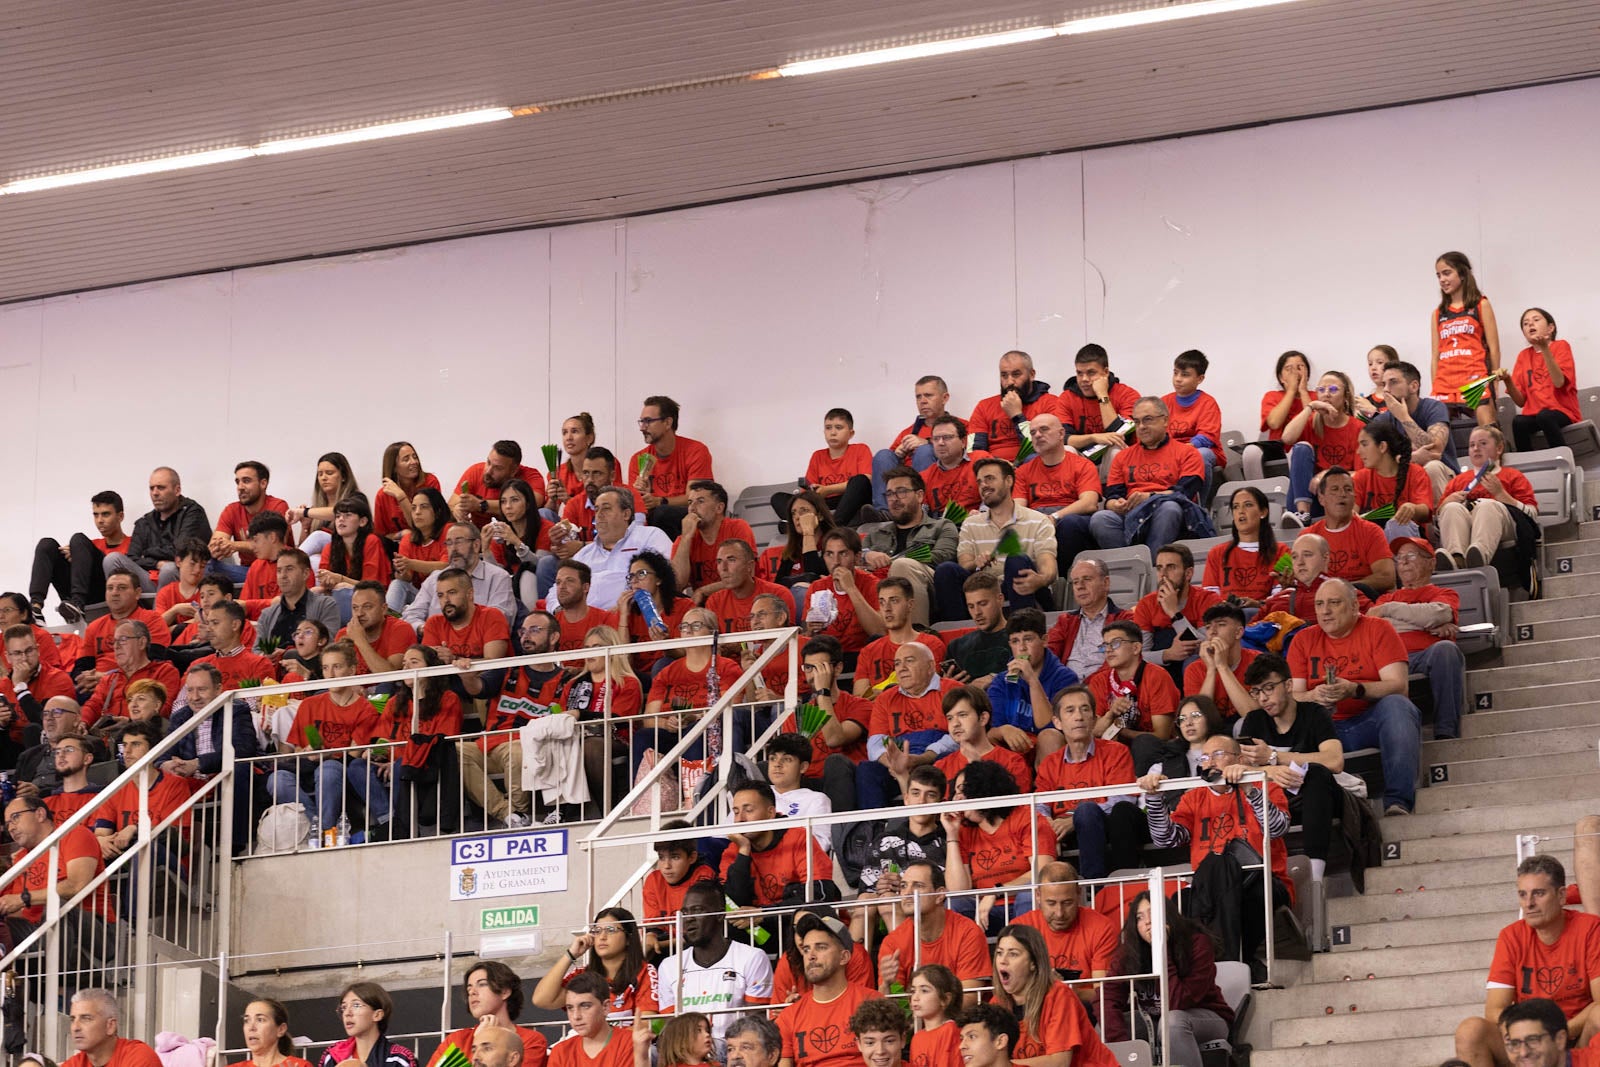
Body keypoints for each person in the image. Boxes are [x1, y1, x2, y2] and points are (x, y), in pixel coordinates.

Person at [1139, 735, 1293, 980]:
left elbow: (1277, 828)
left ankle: (1221, 967)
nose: (1209, 762)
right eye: (1205, 757)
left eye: (1218, 754)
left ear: (1239, 759)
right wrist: (1155, 799)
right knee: (1182, 899)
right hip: (1209, 887)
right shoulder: (1194, 796)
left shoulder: (1264, 785)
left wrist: (1249, 788)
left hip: (1261, 881)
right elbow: (1166, 839)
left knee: (1225, 869)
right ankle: (1235, 965)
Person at [1288, 577, 1422, 815]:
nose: (1325, 611)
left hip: (1367, 721)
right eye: (1319, 604)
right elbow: (1293, 696)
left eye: (1334, 603)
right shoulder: (1303, 639)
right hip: (1324, 729)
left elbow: (1399, 686)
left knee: (1398, 706)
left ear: (1354, 607)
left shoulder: (1378, 629)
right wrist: (1313, 695)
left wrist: (1355, 689)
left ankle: (1397, 802)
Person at [1455, 855, 1600, 1067]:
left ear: (1561, 896)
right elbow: (1494, 1011)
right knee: (1471, 1030)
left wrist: (1554, 1036)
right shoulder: (1511, 936)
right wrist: (1530, 1037)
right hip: (1528, 1040)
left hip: (1577, 1037)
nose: (1529, 904)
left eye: (1538, 893)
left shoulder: (1591, 928)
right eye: (1523, 895)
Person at [1232, 652, 1346, 891]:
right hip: (1276, 803)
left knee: (1317, 773)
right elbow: (1243, 768)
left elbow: (1335, 760)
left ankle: (1315, 877)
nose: (1263, 698)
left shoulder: (1314, 714)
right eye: (1256, 692)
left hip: (1319, 798)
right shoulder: (1254, 721)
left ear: (1289, 685)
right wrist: (1270, 771)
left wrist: (1274, 758)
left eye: (1269, 688)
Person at [269, 643, 389, 837]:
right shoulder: (310, 705)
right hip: (310, 768)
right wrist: (308, 750)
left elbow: (352, 754)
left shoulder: (366, 709)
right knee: (277, 779)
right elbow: (300, 750)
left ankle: (326, 830)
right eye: (325, 668)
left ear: (352, 670)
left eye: (337, 667)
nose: (330, 674)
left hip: (338, 772)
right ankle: (318, 828)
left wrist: (322, 754)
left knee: (329, 769)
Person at [1104, 891, 1235, 1066]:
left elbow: (1177, 1002)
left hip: (1207, 1018)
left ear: (1168, 915)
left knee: (1172, 1022)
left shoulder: (1197, 943)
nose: (1148, 922)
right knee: (1106, 1026)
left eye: (1152, 913)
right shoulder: (1131, 952)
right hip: (1155, 1021)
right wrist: (1121, 1042)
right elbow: (1107, 996)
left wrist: (1162, 950)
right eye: (1139, 918)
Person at [464, 612, 562, 828]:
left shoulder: (565, 679)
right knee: (455, 752)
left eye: (535, 630)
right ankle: (509, 814)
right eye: (523, 631)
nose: (526, 636)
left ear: (554, 637)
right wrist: (467, 676)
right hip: (489, 745)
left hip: (528, 747)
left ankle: (521, 812)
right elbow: (478, 689)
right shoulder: (507, 668)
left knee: (517, 748)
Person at [1034, 688, 1141, 879]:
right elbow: (1039, 805)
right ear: (1057, 722)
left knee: (1088, 811)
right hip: (1064, 835)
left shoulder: (1116, 752)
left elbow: (1123, 799)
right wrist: (1048, 827)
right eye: (1070, 711)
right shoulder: (1050, 763)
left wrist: (1073, 820)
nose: (1079, 717)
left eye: (1085, 710)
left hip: (1110, 828)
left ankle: (1096, 886)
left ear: (1094, 718)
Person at [933, 457, 1057, 620]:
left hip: (1027, 590)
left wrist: (1040, 580)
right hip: (985, 589)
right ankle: (960, 633)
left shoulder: (1039, 520)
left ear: (1008, 481)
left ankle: (1021, 629)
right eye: (979, 482)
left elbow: (1049, 569)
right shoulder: (970, 524)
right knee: (946, 570)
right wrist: (975, 563)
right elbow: (965, 564)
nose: (983, 485)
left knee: (1016, 560)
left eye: (989, 478)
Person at [0, 798, 115, 974]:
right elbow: (15, 909)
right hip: (38, 930)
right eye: (7, 824)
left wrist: (24, 898)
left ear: (39, 814)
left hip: (93, 930)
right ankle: (8, 987)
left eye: (15, 818)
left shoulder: (75, 835)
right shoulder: (23, 858)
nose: (11, 828)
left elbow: (76, 886)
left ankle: (56, 982)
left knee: (57, 905)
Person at [1370, 536, 1469, 739]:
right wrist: (1424, 623)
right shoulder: (1385, 598)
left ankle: (1446, 731)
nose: (1403, 562)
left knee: (1446, 650)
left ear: (1431, 562)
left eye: (1411, 555)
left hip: (1427, 655)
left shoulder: (1445, 593)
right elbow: (1374, 623)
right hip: (1391, 659)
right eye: (1399, 557)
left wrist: (1390, 612)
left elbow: (1437, 614)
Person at [655, 882, 773, 1051]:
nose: (689, 919)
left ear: (720, 914)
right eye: (685, 912)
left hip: (733, 1050)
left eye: (697, 910)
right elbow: (670, 1025)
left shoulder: (752, 957)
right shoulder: (669, 966)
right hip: (687, 1053)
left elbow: (755, 1023)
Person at [943, 761, 1053, 933]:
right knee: (955, 904)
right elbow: (958, 890)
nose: (956, 799)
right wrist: (952, 835)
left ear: (984, 788)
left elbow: (1043, 871)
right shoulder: (964, 831)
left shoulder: (1026, 817)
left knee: (1028, 896)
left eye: (962, 791)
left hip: (1022, 903)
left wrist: (997, 892)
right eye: (955, 793)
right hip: (985, 912)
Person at [1090, 396, 1213, 550]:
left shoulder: (1188, 453)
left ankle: (1155, 567)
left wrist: (1149, 498)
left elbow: (1184, 493)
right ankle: (1133, 566)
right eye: (1137, 421)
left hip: (1172, 515)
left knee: (1170, 508)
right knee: (1101, 518)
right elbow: (1113, 495)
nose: (1141, 426)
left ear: (1165, 420)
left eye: (1147, 420)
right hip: (1132, 514)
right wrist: (1116, 504)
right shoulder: (1123, 457)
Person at [987, 924, 1118, 1065]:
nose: (1003, 960)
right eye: (999, 953)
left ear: (1033, 963)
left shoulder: (1059, 995)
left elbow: (1059, 1062)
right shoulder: (996, 1005)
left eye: (1013, 954)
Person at [634, 608, 742, 775]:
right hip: (672, 733)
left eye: (696, 625)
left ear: (713, 632)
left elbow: (732, 707)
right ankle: (639, 797)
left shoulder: (727, 667)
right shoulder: (667, 672)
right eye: (684, 626)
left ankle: (695, 793)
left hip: (708, 732)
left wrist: (695, 717)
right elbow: (649, 718)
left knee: (695, 730)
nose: (689, 630)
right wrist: (666, 723)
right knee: (643, 736)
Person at [774, 913, 882, 1067]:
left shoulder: (872, 1003)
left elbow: (887, 1057)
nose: (811, 955)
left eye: (821, 947)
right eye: (806, 949)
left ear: (844, 957)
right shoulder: (789, 1017)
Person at [875, 860, 993, 1000]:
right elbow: (891, 1008)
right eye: (903, 886)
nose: (907, 893)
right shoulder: (892, 942)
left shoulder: (968, 932)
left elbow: (969, 999)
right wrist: (887, 986)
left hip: (963, 1020)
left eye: (918, 885)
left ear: (939, 895)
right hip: (914, 1020)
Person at [858, 642, 957, 808]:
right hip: (898, 759)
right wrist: (895, 764)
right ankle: (873, 829)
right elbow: (875, 743)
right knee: (867, 770)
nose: (901, 668)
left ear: (930, 666)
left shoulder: (953, 691)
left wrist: (925, 757)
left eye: (909, 661)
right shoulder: (885, 699)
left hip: (937, 756)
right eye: (897, 663)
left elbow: (960, 735)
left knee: (949, 761)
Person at [859, 467, 960, 627]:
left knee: (903, 566)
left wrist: (893, 562)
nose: (894, 499)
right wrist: (866, 556)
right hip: (880, 593)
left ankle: (916, 635)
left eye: (901, 492)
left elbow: (943, 556)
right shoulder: (875, 533)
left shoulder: (942, 526)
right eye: (890, 494)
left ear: (920, 496)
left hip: (927, 586)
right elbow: (856, 559)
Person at [1435, 425, 1539, 571]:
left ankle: (1478, 556)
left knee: (1486, 506)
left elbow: (1532, 516)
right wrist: (1445, 503)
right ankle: (1456, 558)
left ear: (1499, 448)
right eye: (1472, 445)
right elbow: (1437, 521)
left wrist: (1502, 495)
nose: (1476, 448)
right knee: (1451, 508)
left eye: (1483, 443)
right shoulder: (1458, 481)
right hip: (1466, 524)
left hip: (1506, 526)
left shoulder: (1513, 476)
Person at [1014, 862, 1119, 1005]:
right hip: (1033, 1008)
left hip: (1083, 1007)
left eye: (1067, 903)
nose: (1059, 913)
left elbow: (1103, 992)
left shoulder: (1102, 927)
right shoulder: (1019, 929)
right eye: (1051, 903)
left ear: (1078, 894)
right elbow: (1013, 990)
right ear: (1038, 896)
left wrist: (1061, 991)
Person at [532, 908, 659, 1023]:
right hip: (588, 1045)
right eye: (597, 931)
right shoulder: (584, 975)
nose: (602, 937)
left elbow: (647, 1023)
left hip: (628, 1046)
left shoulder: (644, 971)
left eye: (610, 930)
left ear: (629, 938)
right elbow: (542, 1000)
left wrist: (607, 1043)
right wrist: (571, 954)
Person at [722, 781, 834, 910]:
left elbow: (819, 895)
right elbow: (731, 904)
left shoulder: (799, 838)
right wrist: (743, 853)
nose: (740, 819)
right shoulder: (735, 849)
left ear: (770, 813)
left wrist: (764, 914)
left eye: (748, 810)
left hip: (799, 923)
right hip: (756, 927)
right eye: (736, 812)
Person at [1012, 412, 1101, 571]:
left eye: (1044, 429)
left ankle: (1065, 581)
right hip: (1037, 519)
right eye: (1033, 432)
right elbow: (1018, 508)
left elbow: (1089, 503)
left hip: (1070, 519)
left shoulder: (1082, 465)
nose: (1038, 435)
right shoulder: (1023, 471)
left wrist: (1055, 517)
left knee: (1069, 524)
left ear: (1061, 434)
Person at [1084, 620, 1178, 768]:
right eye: (1104, 646)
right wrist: (1111, 714)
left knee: (1143, 743)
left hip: (1153, 754)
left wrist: (1120, 731)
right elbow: (1094, 731)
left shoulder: (1157, 676)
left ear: (1136, 648)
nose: (1108, 650)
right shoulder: (1099, 680)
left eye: (1115, 643)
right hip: (1114, 751)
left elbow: (1161, 736)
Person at [104, 467, 212, 595]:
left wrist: (147, 553)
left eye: (161, 488)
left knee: (169, 568)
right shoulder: (144, 521)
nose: (155, 493)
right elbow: (133, 558)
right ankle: (123, 613)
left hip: (185, 581)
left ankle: (159, 614)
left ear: (177, 490)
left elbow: (181, 553)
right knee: (112, 559)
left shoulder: (192, 512)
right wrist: (156, 563)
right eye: (152, 488)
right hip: (150, 581)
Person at [1367, 359, 1462, 500]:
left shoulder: (1433, 407)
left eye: (1393, 382)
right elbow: (1375, 465)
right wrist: (1413, 458)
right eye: (1383, 384)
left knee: (1432, 467)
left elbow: (1435, 451)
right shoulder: (1382, 421)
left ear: (1413, 386)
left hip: (1445, 480)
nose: (1386, 389)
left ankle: (1441, 516)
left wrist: (1403, 417)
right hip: (1407, 481)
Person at [567, 487, 675, 611]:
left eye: (606, 508)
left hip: (634, 615)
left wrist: (625, 608)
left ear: (626, 514)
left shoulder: (650, 536)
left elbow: (667, 579)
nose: (599, 514)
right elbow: (557, 590)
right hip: (588, 622)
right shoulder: (583, 555)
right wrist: (559, 610)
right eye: (596, 510)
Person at [30, 490, 128, 624]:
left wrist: (81, 553)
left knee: (78, 539)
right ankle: (35, 608)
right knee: (46, 545)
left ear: (120, 516)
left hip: (107, 593)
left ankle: (77, 603)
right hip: (82, 591)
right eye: (96, 515)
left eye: (105, 514)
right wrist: (77, 557)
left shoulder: (133, 545)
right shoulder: (90, 546)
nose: (100, 520)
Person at [402, 522, 518, 632]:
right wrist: (423, 628)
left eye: (459, 542)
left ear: (476, 545)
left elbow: (501, 619)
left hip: (479, 647)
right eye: (449, 543)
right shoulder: (435, 578)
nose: (453, 549)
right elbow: (411, 614)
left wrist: (460, 634)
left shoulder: (497, 577)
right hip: (436, 646)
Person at [1135, 542, 1222, 686]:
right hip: (1163, 666)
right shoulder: (1146, 604)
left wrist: (1174, 613)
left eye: (1171, 567)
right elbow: (1137, 655)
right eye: (1159, 568)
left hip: (1195, 664)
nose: (1163, 575)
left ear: (1188, 574)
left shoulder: (1208, 599)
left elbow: (1210, 647)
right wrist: (1168, 654)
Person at [1432, 250, 1503, 427]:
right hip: (1445, 382)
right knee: (1438, 435)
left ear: (1462, 274)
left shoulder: (1481, 304)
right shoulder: (1438, 313)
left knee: (1488, 431)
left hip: (1474, 379)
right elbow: (1435, 355)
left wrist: (1494, 381)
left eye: (1447, 273)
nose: (1442, 279)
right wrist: (1435, 386)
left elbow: (1494, 348)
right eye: (1438, 275)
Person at [856, 765, 947, 901]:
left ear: (941, 803)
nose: (921, 801)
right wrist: (879, 886)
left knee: (888, 899)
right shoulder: (883, 841)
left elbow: (953, 890)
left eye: (931, 795)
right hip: (887, 909)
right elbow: (866, 889)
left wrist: (905, 886)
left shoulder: (949, 841)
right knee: (866, 899)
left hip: (935, 909)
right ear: (906, 799)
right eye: (916, 793)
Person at [629, 396, 715, 539]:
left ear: (668, 422)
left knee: (662, 513)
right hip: (652, 525)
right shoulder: (638, 459)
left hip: (688, 518)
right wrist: (640, 496)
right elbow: (637, 508)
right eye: (641, 422)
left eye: (648, 421)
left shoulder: (695, 451)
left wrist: (660, 501)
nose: (642, 427)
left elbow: (696, 499)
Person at [1282, 370, 1362, 523]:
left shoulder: (1358, 428)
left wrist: (1328, 475)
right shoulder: (1311, 421)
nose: (1326, 394)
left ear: (1345, 396)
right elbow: (1287, 438)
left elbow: (1361, 474)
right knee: (1301, 448)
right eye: (1321, 389)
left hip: (1336, 497)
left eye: (1333, 389)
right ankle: (1302, 514)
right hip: (1309, 497)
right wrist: (1310, 407)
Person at [1305, 467, 1396, 595]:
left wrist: (1343, 589)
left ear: (1354, 496)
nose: (1342, 494)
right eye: (1335, 489)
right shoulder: (1307, 536)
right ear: (1321, 498)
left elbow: (1386, 577)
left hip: (1361, 603)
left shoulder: (1371, 532)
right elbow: (1298, 576)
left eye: (1348, 489)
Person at [1501, 307, 1581, 453]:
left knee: (1545, 416)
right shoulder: (1523, 356)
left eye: (1536, 320)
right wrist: (1507, 380)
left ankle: (1563, 462)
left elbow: (1559, 382)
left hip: (1563, 412)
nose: (1530, 324)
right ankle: (1529, 465)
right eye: (1525, 323)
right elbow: (1520, 401)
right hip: (1535, 415)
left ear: (1550, 328)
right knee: (1519, 422)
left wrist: (1545, 349)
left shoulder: (1561, 346)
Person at [851, 578, 944, 695]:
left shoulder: (930, 645)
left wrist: (880, 692)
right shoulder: (869, 651)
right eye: (882, 602)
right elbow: (860, 696)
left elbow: (926, 689)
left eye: (894, 601)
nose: (887, 608)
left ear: (910, 605)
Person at [966, 350, 1063, 463]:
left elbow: (1043, 447)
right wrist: (997, 465)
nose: (1009, 382)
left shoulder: (1050, 403)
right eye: (1004, 375)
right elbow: (974, 450)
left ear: (1031, 375)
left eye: (1016, 374)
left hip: (1034, 466)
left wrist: (1017, 416)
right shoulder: (984, 406)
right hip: (994, 469)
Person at [80, 620, 182, 725]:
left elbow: (165, 710)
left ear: (142, 642)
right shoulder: (109, 679)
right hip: (109, 737)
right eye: (114, 642)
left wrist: (130, 723)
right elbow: (93, 705)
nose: (116, 646)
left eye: (123, 639)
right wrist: (83, 722)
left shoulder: (164, 671)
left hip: (145, 736)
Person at [1045, 559, 1132, 682]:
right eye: (1075, 582)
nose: (1080, 586)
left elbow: (1120, 663)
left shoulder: (1124, 620)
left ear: (1106, 583)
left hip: (1104, 689)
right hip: (1065, 690)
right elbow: (1048, 654)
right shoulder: (1065, 621)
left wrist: (1088, 688)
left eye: (1087, 579)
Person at [871, 375, 951, 507]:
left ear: (945, 398)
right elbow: (886, 463)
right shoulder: (908, 432)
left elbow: (963, 456)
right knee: (883, 455)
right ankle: (884, 512)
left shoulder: (958, 426)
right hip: (903, 487)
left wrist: (929, 443)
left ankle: (924, 509)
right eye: (918, 397)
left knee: (924, 451)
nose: (922, 401)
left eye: (928, 395)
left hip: (938, 484)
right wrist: (898, 454)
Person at [641, 820, 718, 956]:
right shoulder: (653, 880)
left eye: (675, 857)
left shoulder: (703, 875)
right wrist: (651, 937)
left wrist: (661, 944)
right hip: (667, 945)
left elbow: (701, 930)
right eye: (661, 858)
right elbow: (652, 927)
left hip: (697, 943)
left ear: (692, 857)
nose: (666, 866)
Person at [801, 529, 885, 652]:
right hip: (827, 657)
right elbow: (807, 637)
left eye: (843, 554)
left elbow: (879, 632)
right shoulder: (816, 588)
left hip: (862, 654)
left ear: (857, 557)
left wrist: (851, 588)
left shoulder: (872, 584)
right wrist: (810, 630)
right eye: (829, 554)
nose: (836, 562)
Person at [76, 572, 170, 681]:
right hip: (96, 686)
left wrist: (108, 678)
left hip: (137, 684)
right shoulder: (94, 626)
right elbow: (81, 666)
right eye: (110, 588)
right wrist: (85, 680)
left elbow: (154, 661)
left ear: (137, 593)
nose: (115, 593)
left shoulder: (152, 620)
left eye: (122, 588)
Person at [937, 685, 1033, 791]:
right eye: (950, 718)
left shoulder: (1013, 763)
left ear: (983, 718)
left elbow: (1017, 805)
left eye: (962, 715)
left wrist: (978, 768)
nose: (955, 724)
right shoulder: (941, 767)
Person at [209, 460, 291, 584]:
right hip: (246, 571)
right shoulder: (231, 510)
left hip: (276, 569)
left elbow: (275, 546)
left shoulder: (278, 506)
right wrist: (218, 547)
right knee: (204, 562)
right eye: (238, 482)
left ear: (263, 483)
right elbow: (216, 542)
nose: (240, 487)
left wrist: (234, 545)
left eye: (246, 481)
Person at [789, 408, 873, 526]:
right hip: (824, 503)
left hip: (851, 499)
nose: (833, 432)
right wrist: (814, 491)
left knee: (860, 480)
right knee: (779, 498)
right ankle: (802, 524)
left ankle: (833, 525)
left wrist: (828, 490)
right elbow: (808, 494)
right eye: (828, 428)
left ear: (851, 433)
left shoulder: (860, 449)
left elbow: (867, 479)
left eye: (839, 428)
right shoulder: (817, 456)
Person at [615, 549, 693, 676]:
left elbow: (688, 652)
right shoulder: (627, 612)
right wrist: (623, 616)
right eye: (631, 576)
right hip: (640, 677)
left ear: (659, 579)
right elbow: (623, 662)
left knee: (663, 664)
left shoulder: (685, 606)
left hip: (674, 671)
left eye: (641, 574)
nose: (634, 581)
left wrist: (666, 643)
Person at [1353, 417, 1434, 539]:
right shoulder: (1361, 477)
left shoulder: (1415, 473)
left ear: (1382, 447)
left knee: (1398, 524)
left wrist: (1412, 508)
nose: (1358, 452)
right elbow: (1351, 512)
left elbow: (1425, 511)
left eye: (1364, 444)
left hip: (1409, 545)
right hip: (1373, 542)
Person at [671, 480, 756, 593]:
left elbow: (746, 574)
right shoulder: (684, 540)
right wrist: (686, 537)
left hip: (736, 598)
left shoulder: (738, 527)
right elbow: (677, 584)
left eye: (700, 501)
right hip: (703, 606)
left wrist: (704, 590)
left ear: (719, 508)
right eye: (690, 502)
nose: (692, 508)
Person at [481, 478, 551, 610]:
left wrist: (517, 543)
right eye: (503, 501)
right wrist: (485, 549)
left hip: (535, 586)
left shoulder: (545, 528)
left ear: (528, 503)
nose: (508, 506)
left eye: (514, 500)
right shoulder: (500, 532)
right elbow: (495, 574)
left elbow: (541, 566)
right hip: (509, 587)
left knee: (527, 576)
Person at [1059, 343, 1142, 453]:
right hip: (1082, 459)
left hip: (1116, 456)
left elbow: (1120, 434)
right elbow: (1063, 438)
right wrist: (1093, 437)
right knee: (1066, 449)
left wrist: (1102, 394)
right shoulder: (1067, 397)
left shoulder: (1127, 394)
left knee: (1116, 448)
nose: (1084, 379)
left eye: (1091, 373)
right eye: (1079, 373)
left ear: (1106, 372)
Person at [1164, 348, 1225, 497]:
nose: (1178, 379)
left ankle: (1199, 507)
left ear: (1200, 379)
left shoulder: (1208, 403)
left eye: (1185, 375)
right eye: (1175, 373)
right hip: (1171, 452)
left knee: (1200, 455)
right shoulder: (1163, 402)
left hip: (1200, 450)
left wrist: (1182, 451)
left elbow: (1206, 437)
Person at [1243, 350, 1313, 479]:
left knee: (1297, 451)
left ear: (1307, 373)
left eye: (1300, 367)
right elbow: (1274, 423)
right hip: (1279, 450)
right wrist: (1291, 391)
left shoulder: (1315, 396)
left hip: (1307, 448)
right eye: (1289, 369)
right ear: (1281, 377)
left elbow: (1314, 424)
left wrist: (1302, 391)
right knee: (1250, 452)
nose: (1295, 373)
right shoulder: (1272, 396)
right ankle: (1256, 494)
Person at [257, 549, 343, 654]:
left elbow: (329, 647)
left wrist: (286, 654)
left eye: (289, 569)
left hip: (310, 668)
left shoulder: (325, 605)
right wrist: (265, 657)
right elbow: (257, 650)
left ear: (305, 573)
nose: (283, 575)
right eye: (279, 570)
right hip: (273, 668)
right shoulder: (267, 614)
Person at [1186, 602, 1258, 721]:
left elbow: (1254, 718)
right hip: (1211, 733)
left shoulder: (1258, 662)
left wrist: (1222, 666)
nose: (1212, 632)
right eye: (1208, 627)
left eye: (1221, 624)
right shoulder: (1194, 669)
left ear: (1238, 632)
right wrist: (1211, 670)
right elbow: (1197, 721)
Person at [287, 453, 361, 567]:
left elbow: (338, 512)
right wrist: (305, 527)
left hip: (352, 552)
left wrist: (304, 512)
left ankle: (286, 565)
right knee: (313, 560)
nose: (324, 478)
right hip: (330, 560)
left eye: (329, 473)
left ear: (344, 476)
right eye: (320, 474)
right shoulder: (318, 508)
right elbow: (304, 550)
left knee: (318, 536)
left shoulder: (356, 499)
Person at [318, 982, 417, 1067]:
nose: (347, 1013)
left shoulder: (398, 1059)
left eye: (356, 1005)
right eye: (344, 1007)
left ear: (377, 1015)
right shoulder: (332, 1056)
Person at [452, 440, 547, 528]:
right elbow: (451, 504)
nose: (488, 471)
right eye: (488, 462)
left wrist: (481, 505)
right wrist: (457, 509)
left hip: (517, 535)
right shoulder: (476, 471)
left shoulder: (531, 476)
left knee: (544, 513)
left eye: (498, 468)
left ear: (514, 470)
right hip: (479, 535)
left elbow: (533, 503)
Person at [702, 541, 790, 635]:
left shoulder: (778, 594)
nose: (724, 568)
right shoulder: (714, 602)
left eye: (731, 560)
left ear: (750, 566)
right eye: (719, 561)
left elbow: (789, 642)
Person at [547, 971, 631, 1067]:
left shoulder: (629, 1042)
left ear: (605, 1007)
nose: (576, 1016)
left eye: (585, 1006)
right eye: (570, 1008)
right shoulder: (560, 1051)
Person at [389, 486, 452, 612]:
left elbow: (446, 567)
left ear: (438, 511)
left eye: (424, 507)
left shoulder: (449, 531)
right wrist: (401, 571)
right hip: (419, 596)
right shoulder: (408, 539)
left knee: (438, 576)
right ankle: (389, 621)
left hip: (445, 595)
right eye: (413, 508)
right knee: (397, 584)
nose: (417, 512)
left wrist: (410, 563)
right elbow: (408, 579)